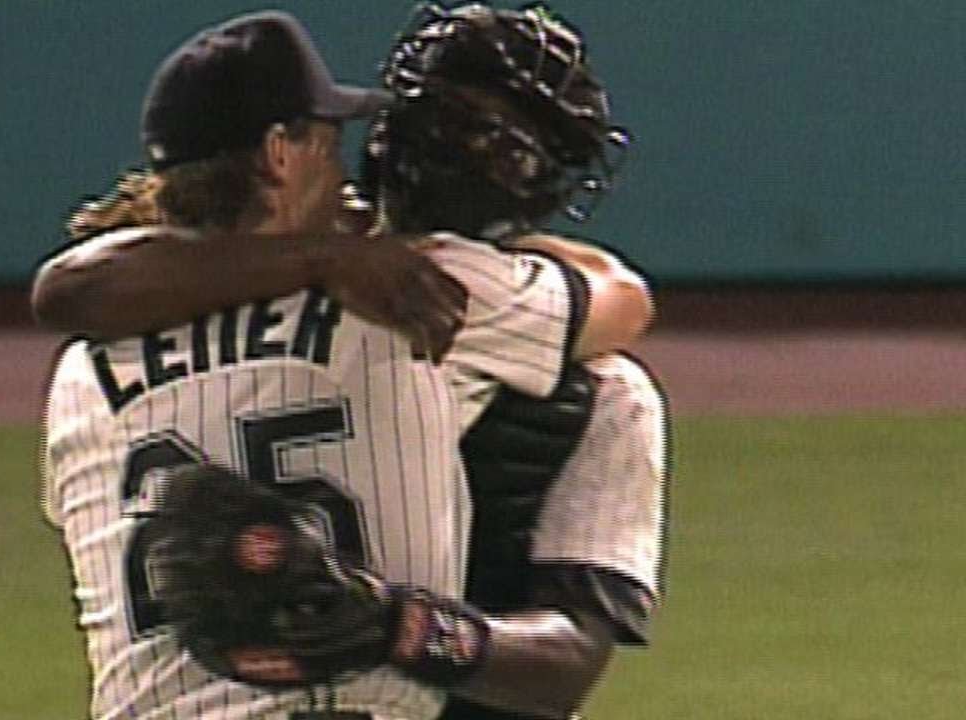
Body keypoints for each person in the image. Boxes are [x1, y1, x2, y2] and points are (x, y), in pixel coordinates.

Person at [38, 9, 647, 720]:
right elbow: (624, 300)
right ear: (280, 153)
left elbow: (67, 288)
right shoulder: (412, 289)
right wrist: (399, 625)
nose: (344, 174)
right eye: (328, 145)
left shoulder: (81, 373)